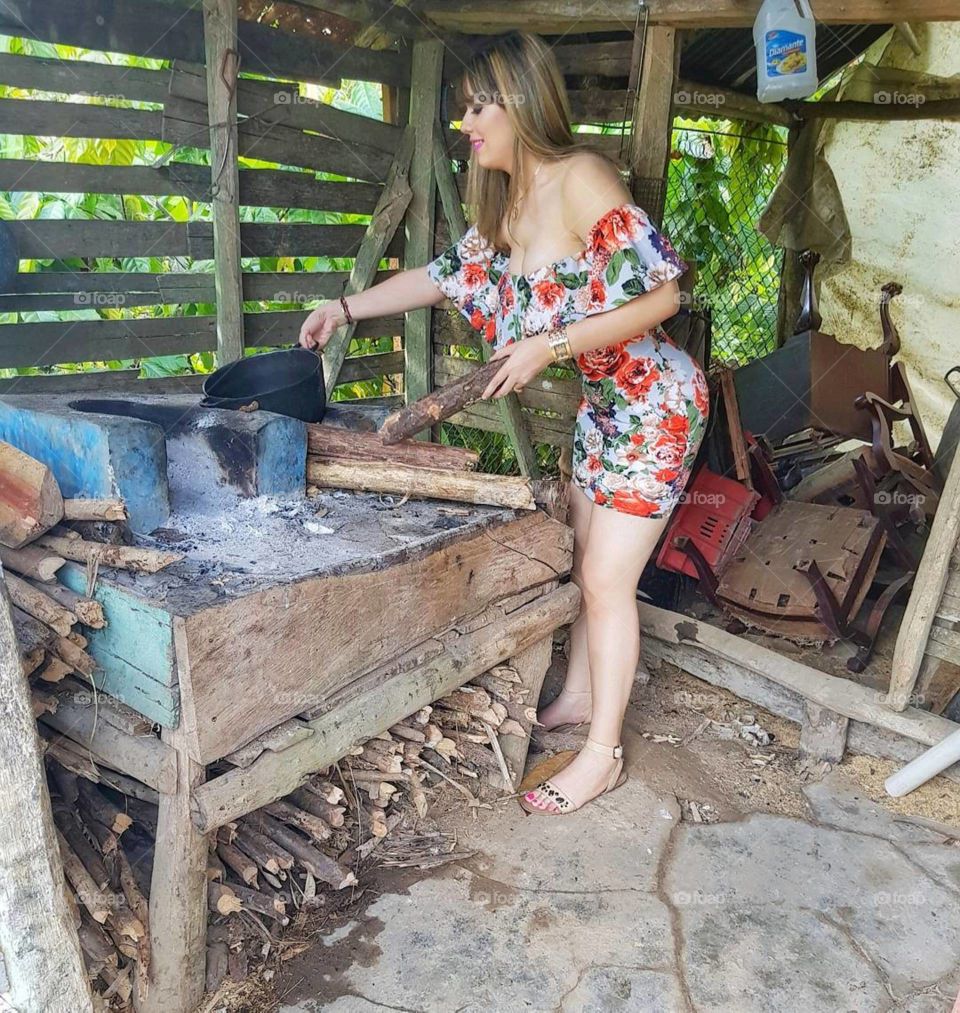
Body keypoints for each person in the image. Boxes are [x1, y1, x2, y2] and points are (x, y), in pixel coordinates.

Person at [300, 32, 709, 817]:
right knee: (585, 556)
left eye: (477, 106)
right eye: (461, 111)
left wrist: (550, 343)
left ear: (521, 100)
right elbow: (439, 277)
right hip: (605, 409)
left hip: (657, 406)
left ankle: (603, 756)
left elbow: (663, 298)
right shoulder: (508, 203)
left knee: (604, 579)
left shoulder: (582, 178)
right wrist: (344, 306)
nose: (466, 124)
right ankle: (582, 695)